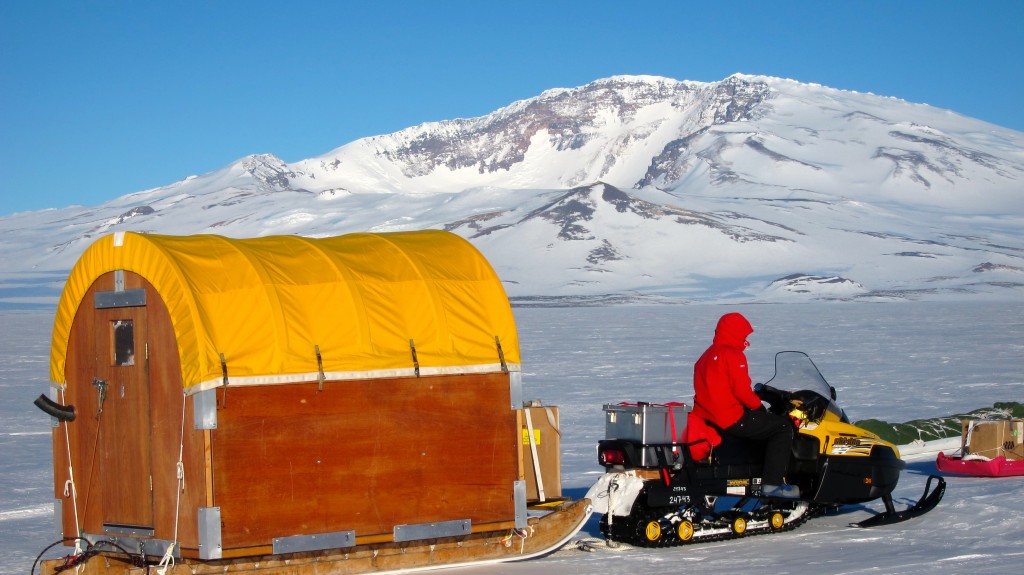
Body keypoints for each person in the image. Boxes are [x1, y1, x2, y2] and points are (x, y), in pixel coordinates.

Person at [691, 312, 799, 499]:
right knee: (781, 427)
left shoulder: (706, 355)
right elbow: (741, 390)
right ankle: (772, 485)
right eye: (744, 335)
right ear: (734, 332)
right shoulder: (732, 354)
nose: (746, 339)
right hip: (730, 417)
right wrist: (759, 407)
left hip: (707, 417)